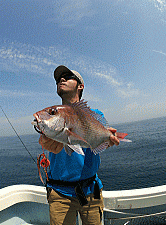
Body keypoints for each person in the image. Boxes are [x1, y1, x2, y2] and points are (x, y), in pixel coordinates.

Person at [39, 65, 120, 225]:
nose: (61, 79)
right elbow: (44, 139)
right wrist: (44, 140)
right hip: (59, 194)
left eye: (67, 76)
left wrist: (107, 139)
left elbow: (100, 141)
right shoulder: (54, 115)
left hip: (90, 191)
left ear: (80, 86)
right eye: (58, 79)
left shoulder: (96, 115)